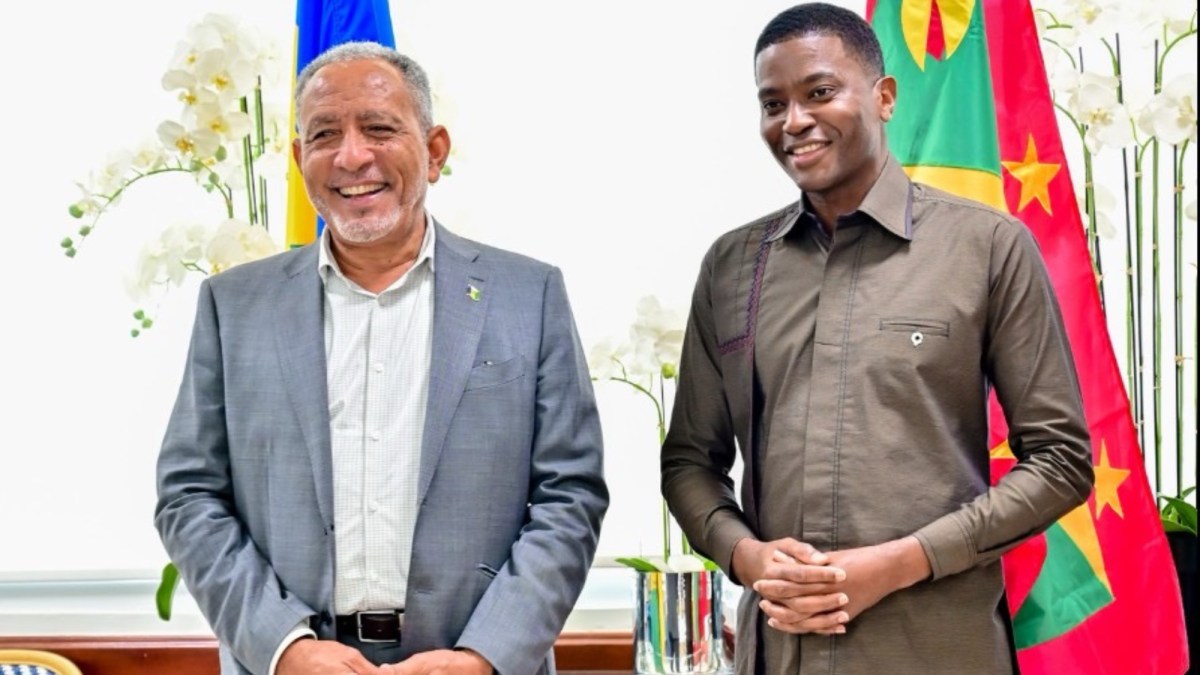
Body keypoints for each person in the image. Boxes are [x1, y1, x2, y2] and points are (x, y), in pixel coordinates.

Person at [660, 4, 1095, 674]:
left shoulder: (987, 246)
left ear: (885, 97)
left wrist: (899, 563)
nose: (793, 121)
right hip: (780, 649)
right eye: (773, 104)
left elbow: (1060, 459)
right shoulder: (732, 265)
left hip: (939, 650)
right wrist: (747, 557)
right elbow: (690, 461)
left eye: (820, 92)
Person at [155, 41, 608, 675]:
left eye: (379, 128)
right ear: (298, 159)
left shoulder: (527, 295)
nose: (351, 156)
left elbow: (569, 494)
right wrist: (283, 647)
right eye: (324, 134)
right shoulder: (233, 306)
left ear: (435, 151)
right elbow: (189, 495)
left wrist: (485, 655)